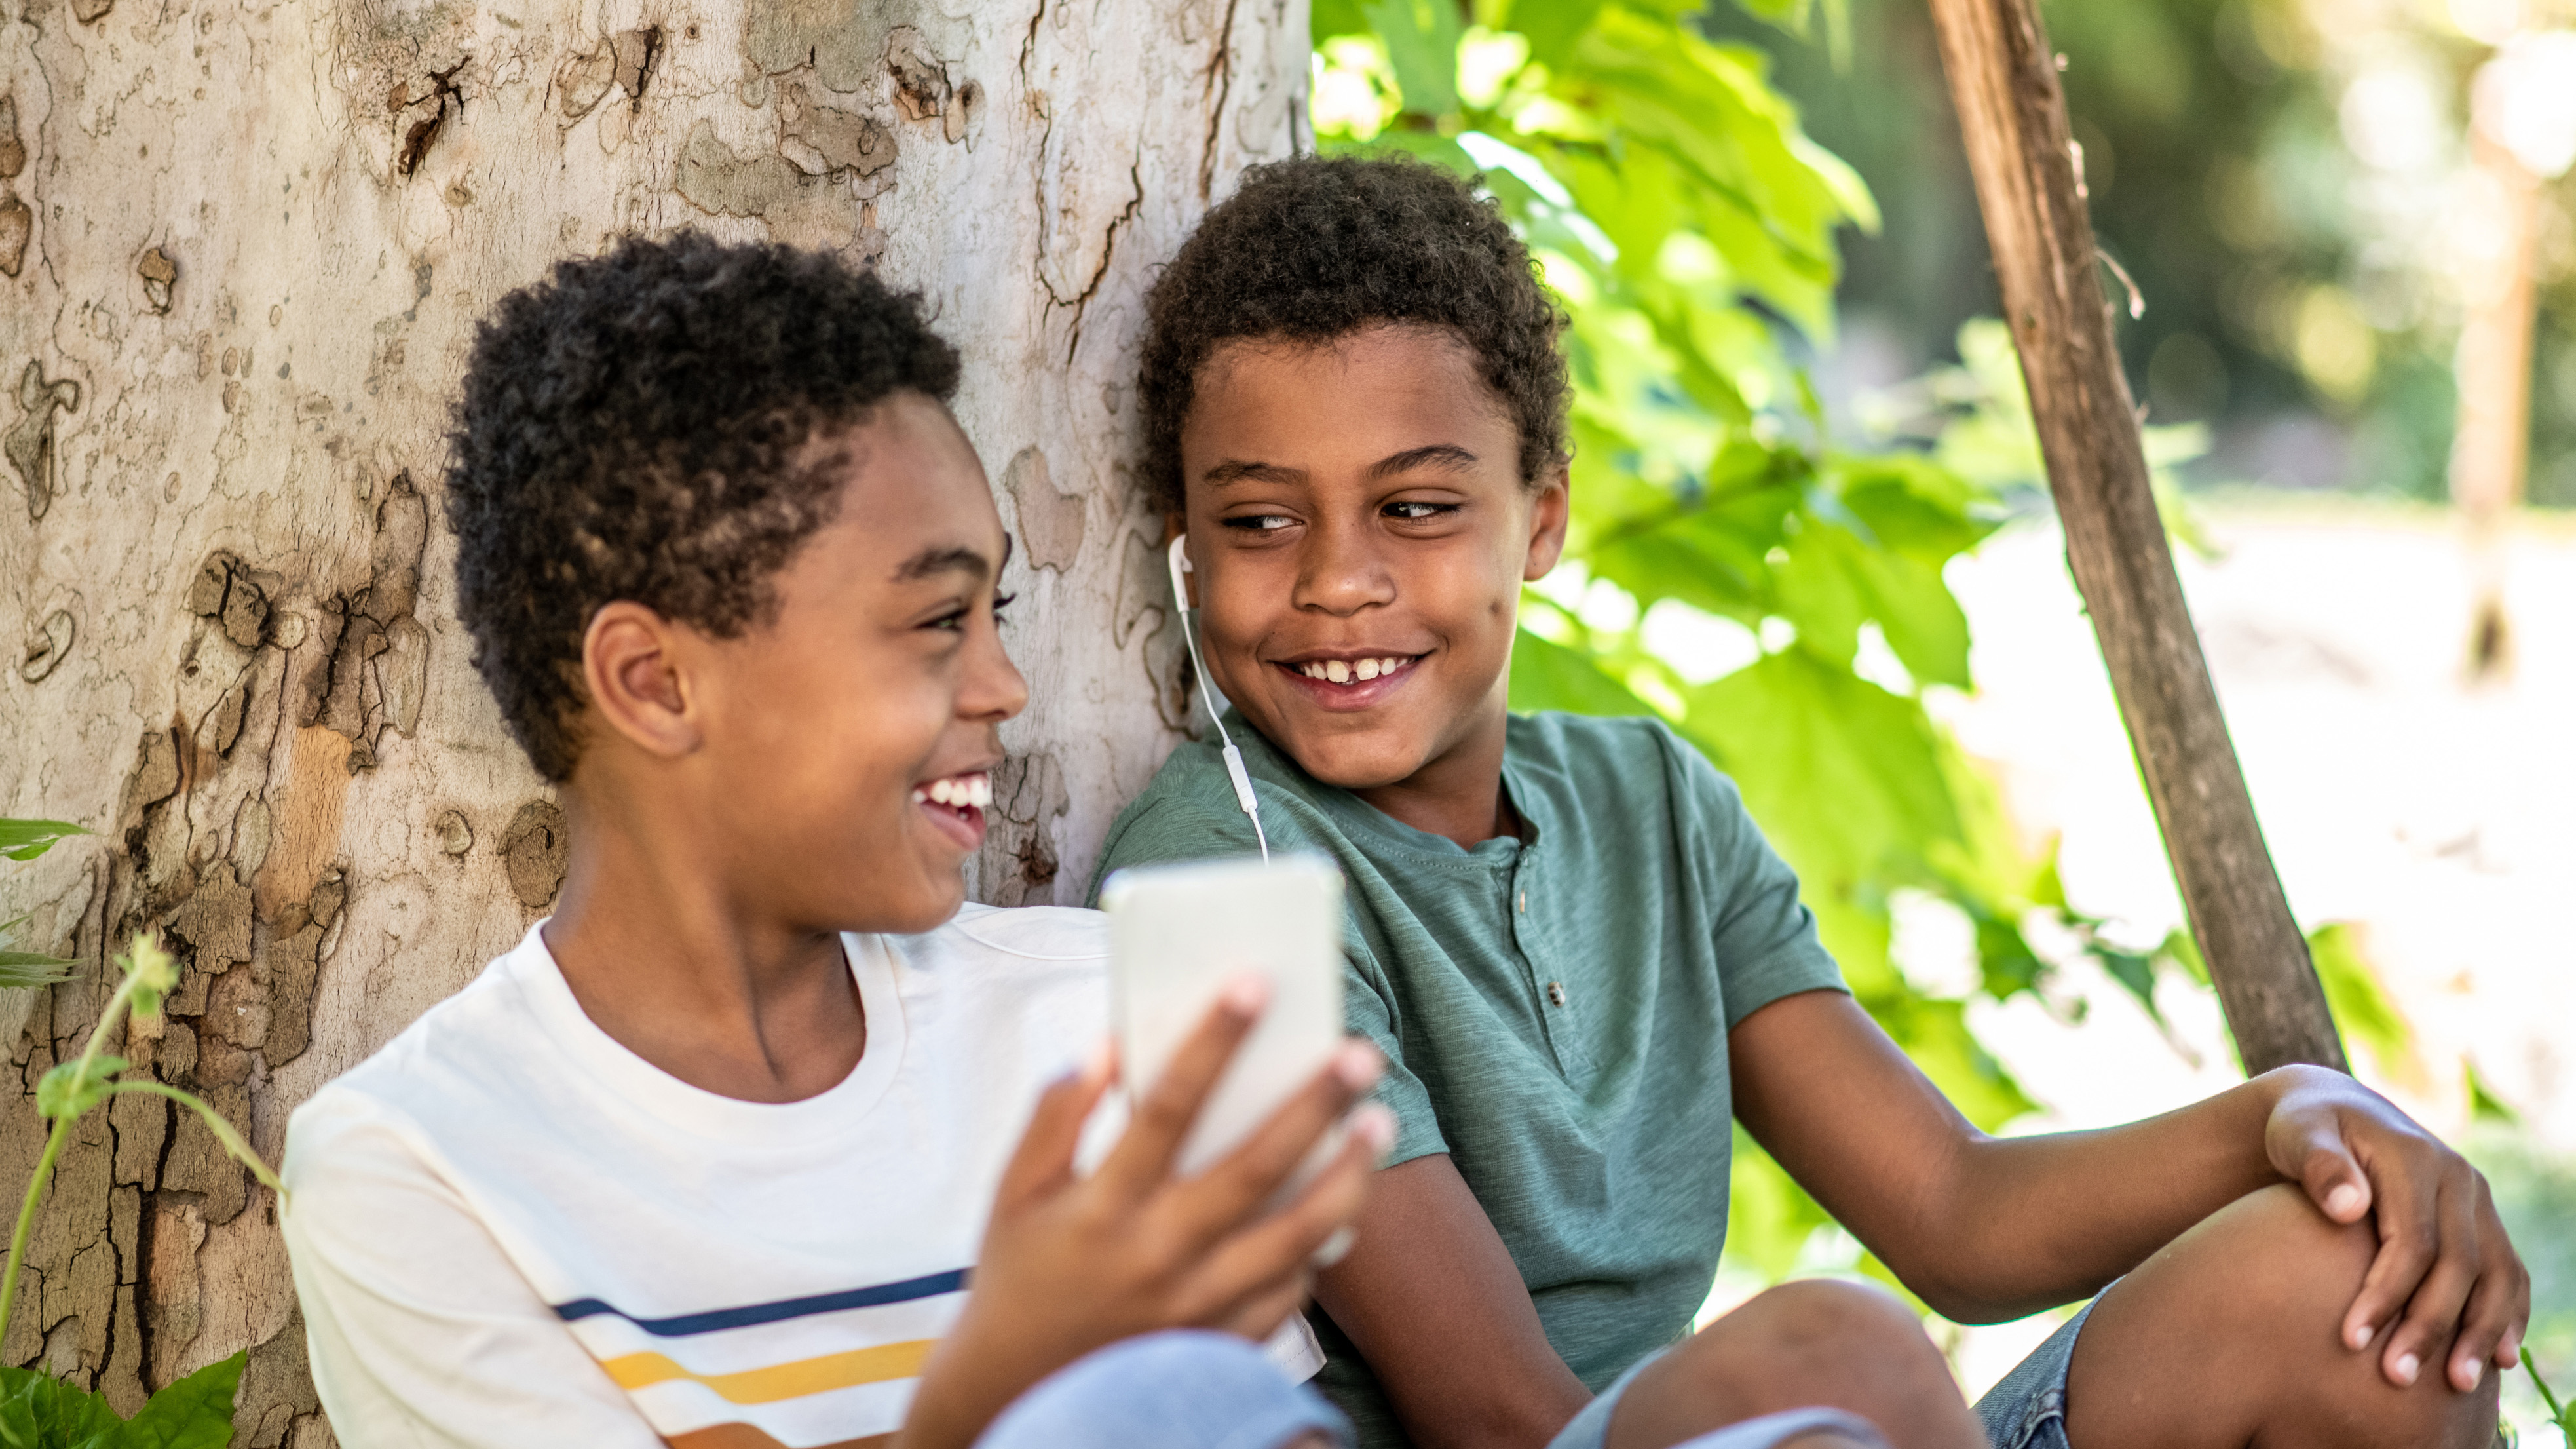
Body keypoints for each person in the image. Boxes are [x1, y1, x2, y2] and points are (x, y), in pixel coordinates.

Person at [1088, 155, 2529, 1449]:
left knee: (2364, 1295)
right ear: (1183, 549)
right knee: (1829, 1355)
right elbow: (1497, 1416)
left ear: (1540, 517)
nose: (1338, 578)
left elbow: (1956, 1214)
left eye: (1415, 506)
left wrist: (2294, 1110)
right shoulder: (1216, 884)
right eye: (1260, 521)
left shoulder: (1649, 800)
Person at [278, 233, 1394, 1449]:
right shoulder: (420, 1172)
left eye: (996, 612)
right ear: (654, 683)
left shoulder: (1098, 1026)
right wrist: (1000, 1386)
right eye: (934, 620)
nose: (1005, 685)